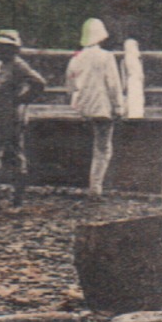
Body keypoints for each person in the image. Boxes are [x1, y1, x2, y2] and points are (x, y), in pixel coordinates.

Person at [0, 29, 47, 210]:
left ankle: (17, 200)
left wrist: (22, 99)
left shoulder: (18, 65)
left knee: (15, 156)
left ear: (13, 49)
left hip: (11, 118)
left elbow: (39, 83)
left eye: (4, 47)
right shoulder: (2, 65)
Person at [67, 17, 124, 197]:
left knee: (93, 144)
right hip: (102, 108)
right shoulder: (107, 57)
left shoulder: (76, 58)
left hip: (83, 108)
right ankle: (95, 188)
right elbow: (114, 85)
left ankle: (93, 185)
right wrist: (118, 107)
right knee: (103, 147)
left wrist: (76, 101)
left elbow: (70, 85)